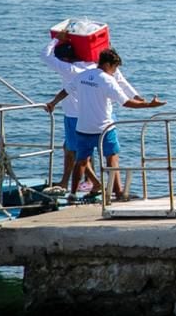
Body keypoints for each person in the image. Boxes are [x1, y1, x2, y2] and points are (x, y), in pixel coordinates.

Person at [42, 37, 140, 197]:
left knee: (76, 154)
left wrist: (55, 39)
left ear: (65, 57)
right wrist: (139, 98)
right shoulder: (97, 68)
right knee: (110, 155)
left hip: (76, 117)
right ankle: (112, 188)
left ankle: (82, 185)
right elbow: (122, 82)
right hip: (105, 117)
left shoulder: (70, 69)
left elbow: (45, 56)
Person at [63, 48, 165, 199]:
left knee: (82, 161)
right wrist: (149, 105)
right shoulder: (107, 80)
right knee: (112, 158)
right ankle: (118, 192)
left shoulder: (82, 75)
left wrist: (52, 103)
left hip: (83, 127)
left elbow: (65, 91)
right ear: (108, 64)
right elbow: (125, 102)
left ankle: (72, 194)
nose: (115, 71)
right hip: (104, 128)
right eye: (115, 67)